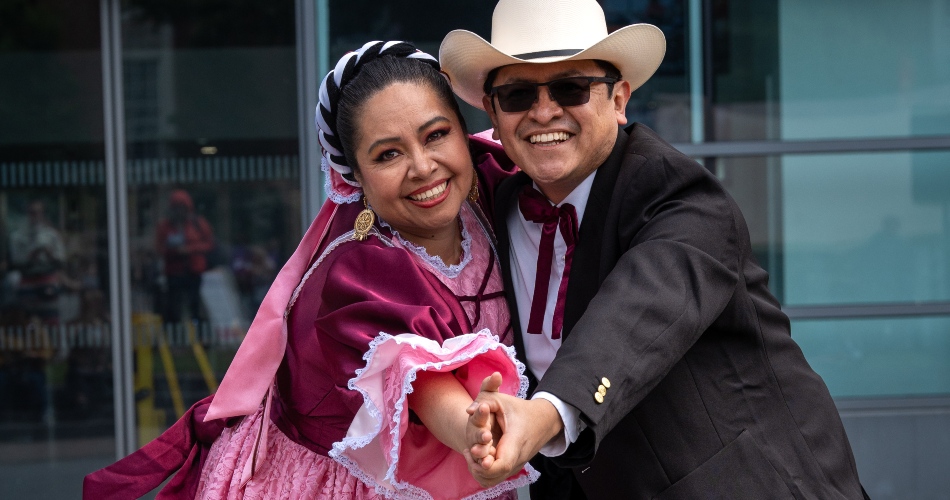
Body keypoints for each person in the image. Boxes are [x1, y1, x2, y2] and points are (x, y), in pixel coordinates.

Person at [440, 1, 870, 498]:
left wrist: (543, 413)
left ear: (619, 99)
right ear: (493, 113)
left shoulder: (678, 191)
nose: (544, 111)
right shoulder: (498, 205)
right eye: (517, 94)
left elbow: (642, 308)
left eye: (571, 88)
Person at [83, 41, 536, 500]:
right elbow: (420, 382)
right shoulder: (361, 269)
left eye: (436, 134)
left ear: (465, 132)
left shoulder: (494, 189)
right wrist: (473, 430)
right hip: (350, 481)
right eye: (387, 155)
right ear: (353, 176)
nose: (423, 167)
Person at [154, 189, 215, 325]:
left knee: (196, 307)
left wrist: (189, 250)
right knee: (173, 308)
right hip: (174, 273)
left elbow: (209, 244)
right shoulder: (165, 226)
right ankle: (175, 339)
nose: (179, 212)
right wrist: (173, 251)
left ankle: (201, 339)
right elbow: (159, 248)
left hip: (194, 272)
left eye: (182, 208)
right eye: (176, 208)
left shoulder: (197, 224)